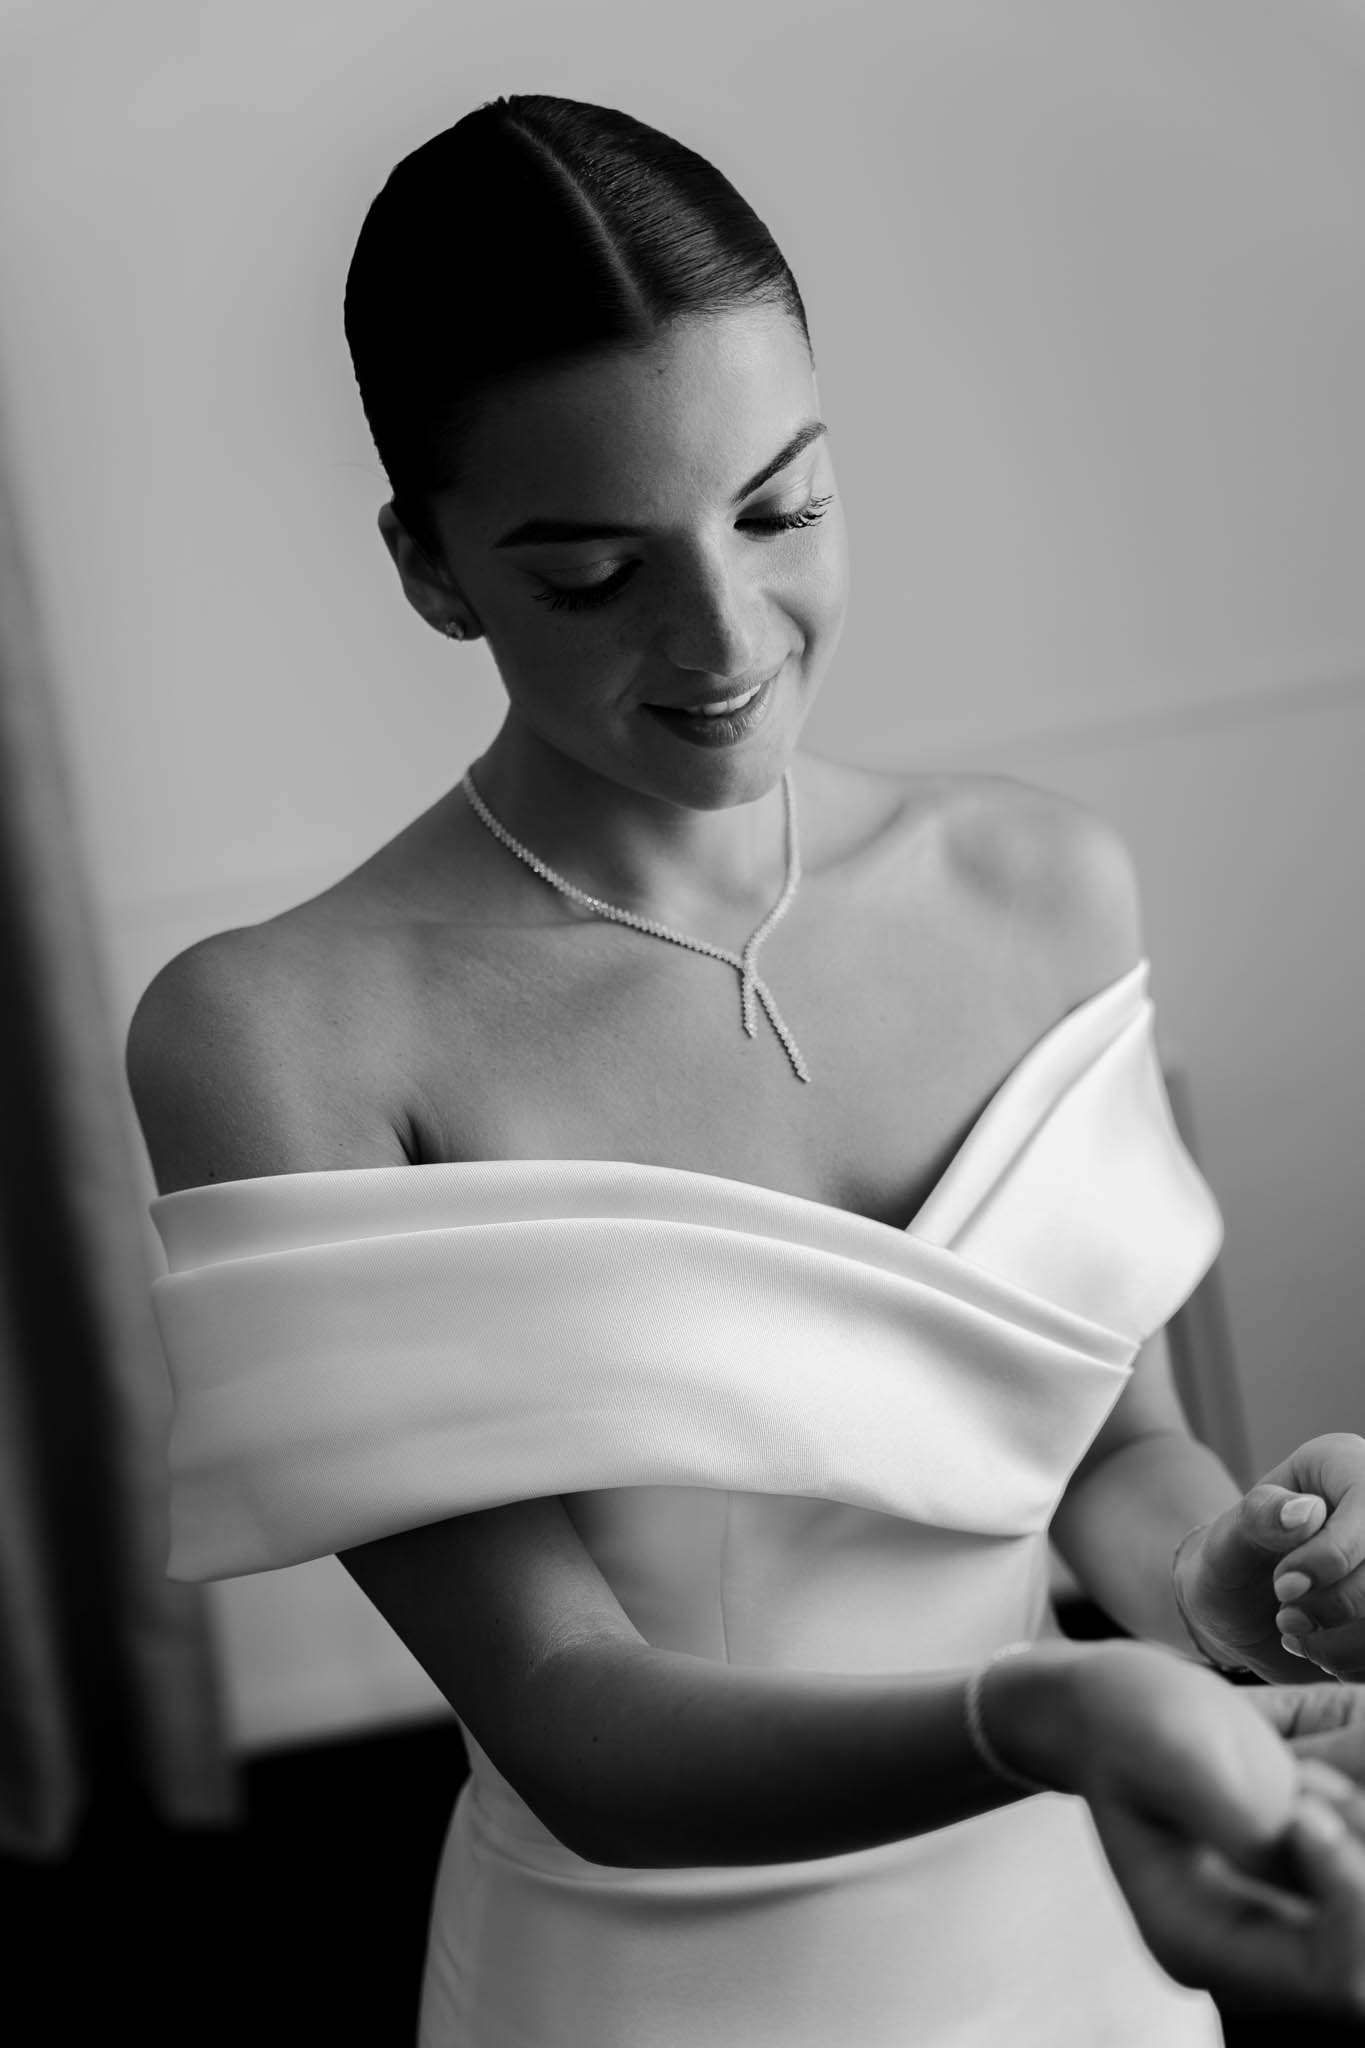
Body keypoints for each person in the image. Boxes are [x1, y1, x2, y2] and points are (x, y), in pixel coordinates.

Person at [126, 94, 1365, 2045]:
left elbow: (1108, 1456)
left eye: (776, 506)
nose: (723, 637)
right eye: (591, 572)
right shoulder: (278, 1034)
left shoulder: (1037, 882)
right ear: (431, 566)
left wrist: (1237, 1585)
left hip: (1087, 1905)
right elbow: (568, 1721)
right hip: (651, 1983)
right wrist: (1040, 1708)